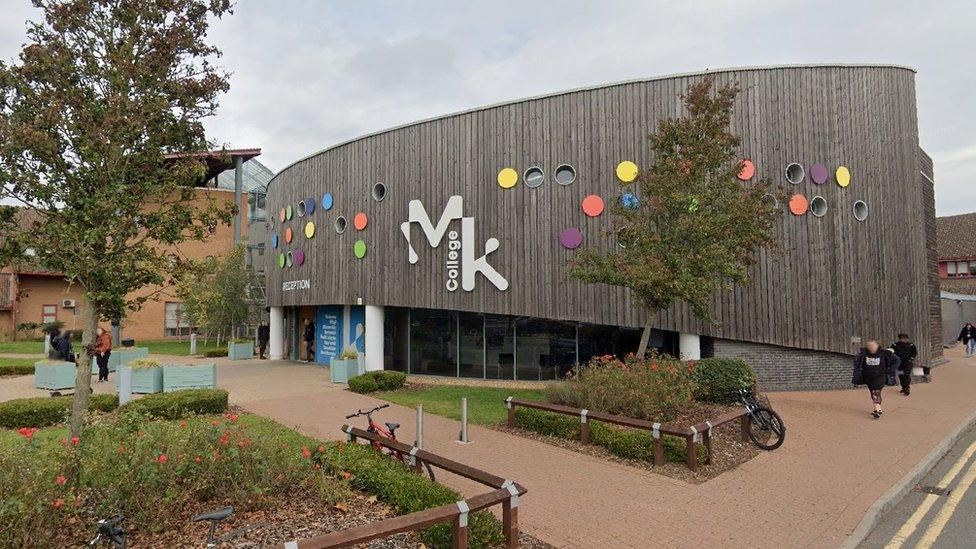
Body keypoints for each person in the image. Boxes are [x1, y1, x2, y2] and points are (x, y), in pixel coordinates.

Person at [852, 338, 900, 419]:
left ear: (877, 345)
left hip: (880, 376)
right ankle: (879, 408)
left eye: (873, 345)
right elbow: (857, 363)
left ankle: (877, 410)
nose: (871, 347)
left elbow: (897, 360)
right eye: (869, 345)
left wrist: (889, 370)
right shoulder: (863, 353)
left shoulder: (884, 353)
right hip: (868, 377)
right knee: (873, 392)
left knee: (875, 392)